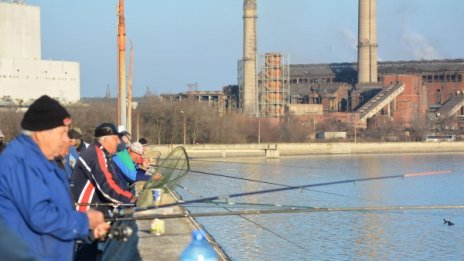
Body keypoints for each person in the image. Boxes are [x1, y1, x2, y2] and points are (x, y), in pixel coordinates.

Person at [0, 95, 109, 261]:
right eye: (62, 133)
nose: (67, 140)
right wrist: (84, 221)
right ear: (41, 133)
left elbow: (59, 213)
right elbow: (40, 216)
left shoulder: (46, 161)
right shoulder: (20, 161)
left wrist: (88, 233)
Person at [72, 122, 135, 214]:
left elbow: (114, 181)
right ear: (106, 139)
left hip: (98, 210)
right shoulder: (95, 154)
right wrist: (130, 198)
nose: (118, 141)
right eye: (116, 138)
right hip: (87, 215)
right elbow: (107, 185)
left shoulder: (100, 152)